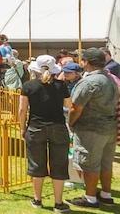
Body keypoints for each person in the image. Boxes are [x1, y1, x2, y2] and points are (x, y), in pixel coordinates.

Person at [19, 55, 71, 212]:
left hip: (36, 128)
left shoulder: (28, 86)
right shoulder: (61, 85)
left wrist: (22, 128)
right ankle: (58, 202)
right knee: (59, 165)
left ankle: (37, 199)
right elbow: (69, 106)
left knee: (37, 164)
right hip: (58, 127)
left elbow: (22, 110)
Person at [68, 47, 119, 207]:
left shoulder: (89, 81)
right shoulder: (111, 79)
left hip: (91, 129)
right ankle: (106, 194)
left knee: (89, 163)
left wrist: (70, 123)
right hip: (109, 127)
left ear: (86, 62)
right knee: (105, 163)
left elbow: (76, 108)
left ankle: (90, 197)